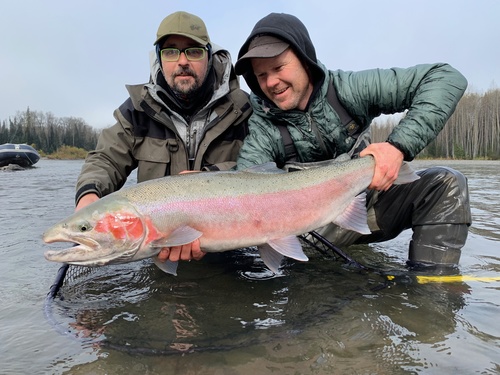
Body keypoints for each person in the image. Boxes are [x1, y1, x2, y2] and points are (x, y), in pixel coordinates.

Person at [234, 12, 471, 270]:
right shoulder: (263, 125)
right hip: (312, 231)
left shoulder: (349, 89)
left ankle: (431, 285)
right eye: (261, 75)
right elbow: (242, 187)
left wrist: (397, 147)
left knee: (446, 184)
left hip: (371, 207)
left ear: (304, 59)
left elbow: (445, 78)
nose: (271, 82)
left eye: (279, 68)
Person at [75, 11, 252, 263]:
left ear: (210, 57)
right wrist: (88, 198)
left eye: (193, 51)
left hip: (234, 249)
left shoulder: (242, 109)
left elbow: (263, 166)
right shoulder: (137, 111)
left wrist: (213, 176)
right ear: (158, 59)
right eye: (170, 52)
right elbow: (106, 159)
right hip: (159, 249)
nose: (182, 61)